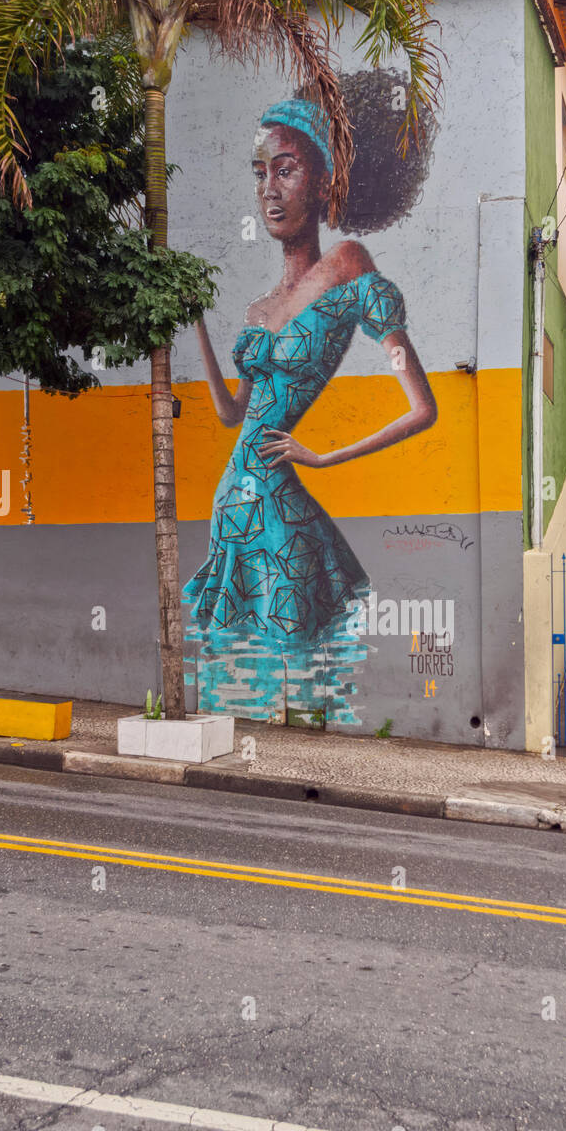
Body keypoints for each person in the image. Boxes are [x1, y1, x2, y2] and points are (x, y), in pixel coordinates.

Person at [187, 96, 437, 722]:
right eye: (260, 171)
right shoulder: (260, 308)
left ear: (323, 180)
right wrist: (193, 324)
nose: (270, 188)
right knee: (239, 685)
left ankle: (297, 776)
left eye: (287, 168)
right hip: (233, 511)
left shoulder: (348, 266)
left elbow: (423, 409)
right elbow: (230, 415)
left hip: (281, 514)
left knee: (293, 680)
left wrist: (323, 457)